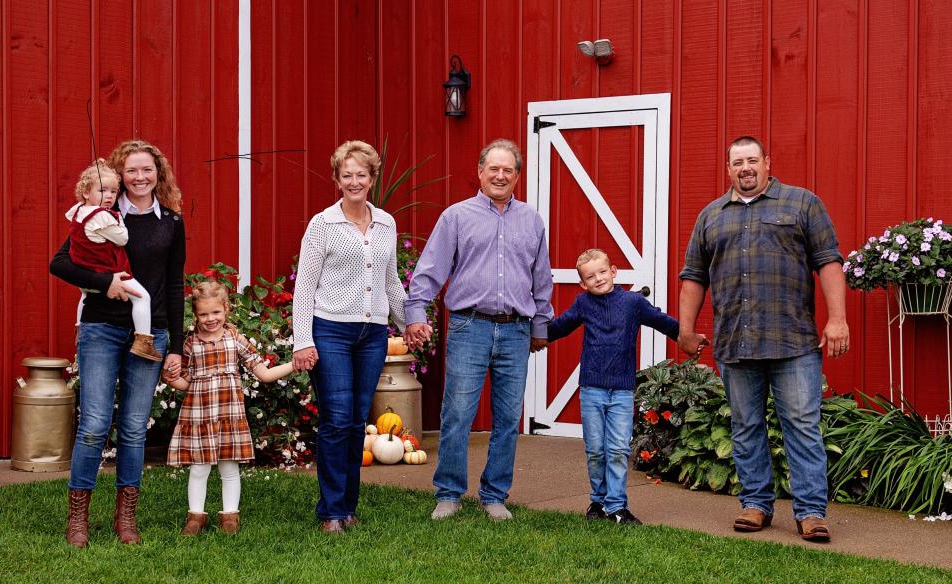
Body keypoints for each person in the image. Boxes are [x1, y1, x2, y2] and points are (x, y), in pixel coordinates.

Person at [677, 136, 848, 543]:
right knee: (745, 425)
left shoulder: (802, 203)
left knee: (802, 425)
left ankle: (811, 513)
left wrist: (837, 319)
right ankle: (755, 504)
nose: (746, 168)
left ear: (767, 163)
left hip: (793, 341)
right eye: (737, 162)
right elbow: (694, 276)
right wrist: (685, 329)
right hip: (736, 341)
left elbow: (828, 261)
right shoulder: (711, 215)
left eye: (752, 160)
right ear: (728, 169)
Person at [404, 138, 553, 522]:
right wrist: (416, 312)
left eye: (508, 170)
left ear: (517, 176)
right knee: (457, 413)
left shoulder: (532, 221)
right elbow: (430, 270)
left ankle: (495, 495)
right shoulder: (456, 217)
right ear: (480, 172)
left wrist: (540, 325)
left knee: (508, 418)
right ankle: (449, 494)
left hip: (516, 331)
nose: (500, 176)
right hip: (469, 327)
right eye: (494, 169)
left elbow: (541, 279)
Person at [50, 139, 187, 548]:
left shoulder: (171, 221)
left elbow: (175, 285)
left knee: (133, 429)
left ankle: (125, 517)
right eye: (131, 171)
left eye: (147, 170)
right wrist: (103, 281)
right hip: (102, 328)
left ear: (158, 173)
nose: (140, 177)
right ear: (120, 176)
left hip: (150, 333)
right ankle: (78, 518)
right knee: (93, 425)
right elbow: (60, 263)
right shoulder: (102, 214)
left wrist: (175, 346)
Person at [292, 140, 407, 534]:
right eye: (347, 175)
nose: (354, 181)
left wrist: (410, 323)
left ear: (372, 178)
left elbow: (390, 281)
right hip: (331, 331)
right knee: (337, 420)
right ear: (337, 179)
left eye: (361, 174)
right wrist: (303, 340)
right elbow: (304, 287)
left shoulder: (386, 223)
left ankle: (348, 507)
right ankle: (331, 511)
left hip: (372, 334)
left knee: (357, 422)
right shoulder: (323, 224)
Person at [546, 249, 698, 525]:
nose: (598, 279)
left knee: (617, 449)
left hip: (622, 391)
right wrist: (532, 337)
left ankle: (617, 507)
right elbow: (560, 326)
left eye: (603, 272)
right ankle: (598, 501)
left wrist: (686, 336)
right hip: (591, 389)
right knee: (595, 450)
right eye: (591, 277)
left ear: (614, 271)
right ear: (582, 284)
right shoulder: (583, 303)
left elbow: (662, 322)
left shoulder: (632, 302)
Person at [162, 281, 294, 535]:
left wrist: (294, 365)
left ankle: (230, 517)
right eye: (203, 314)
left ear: (226, 309)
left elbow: (264, 374)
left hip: (229, 416)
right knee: (199, 468)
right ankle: (195, 517)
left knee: (229, 468)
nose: (210, 319)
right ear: (196, 314)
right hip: (199, 416)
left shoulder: (235, 339)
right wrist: (169, 378)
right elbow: (185, 383)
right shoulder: (190, 343)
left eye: (216, 312)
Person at [64, 159, 162, 362]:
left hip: (86, 271)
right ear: (86, 193)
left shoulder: (79, 210)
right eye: (102, 190)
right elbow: (122, 238)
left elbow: (72, 218)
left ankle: (79, 328)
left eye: (113, 191)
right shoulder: (103, 216)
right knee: (142, 298)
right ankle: (143, 341)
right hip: (108, 271)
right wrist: (119, 219)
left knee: (84, 296)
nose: (109, 196)